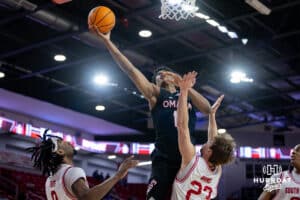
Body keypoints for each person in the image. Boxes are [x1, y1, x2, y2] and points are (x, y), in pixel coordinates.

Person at [93, 30, 211, 200]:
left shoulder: (186, 96)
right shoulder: (156, 94)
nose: (160, 75)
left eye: (165, 73)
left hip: (187, 159)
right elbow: (131, 71)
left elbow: (207, 109)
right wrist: (108, 43)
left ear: (174, 78)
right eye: (157, 76)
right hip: (163, 159)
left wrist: (185, 87)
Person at [172, 72, 236, 199]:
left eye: (209, 144)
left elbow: (182, 126)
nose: (207, 142)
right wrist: (212, 115)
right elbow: (214, 140)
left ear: (209, 152)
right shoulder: (217, 169)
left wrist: (184, 91)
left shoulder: (192, 161)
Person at [27, 133, 138, 200]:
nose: (67, 142)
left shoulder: (49, 180)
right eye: (62, 142)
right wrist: (118, 175)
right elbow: (87, 198)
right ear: (60, 151)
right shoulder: (71, 172)